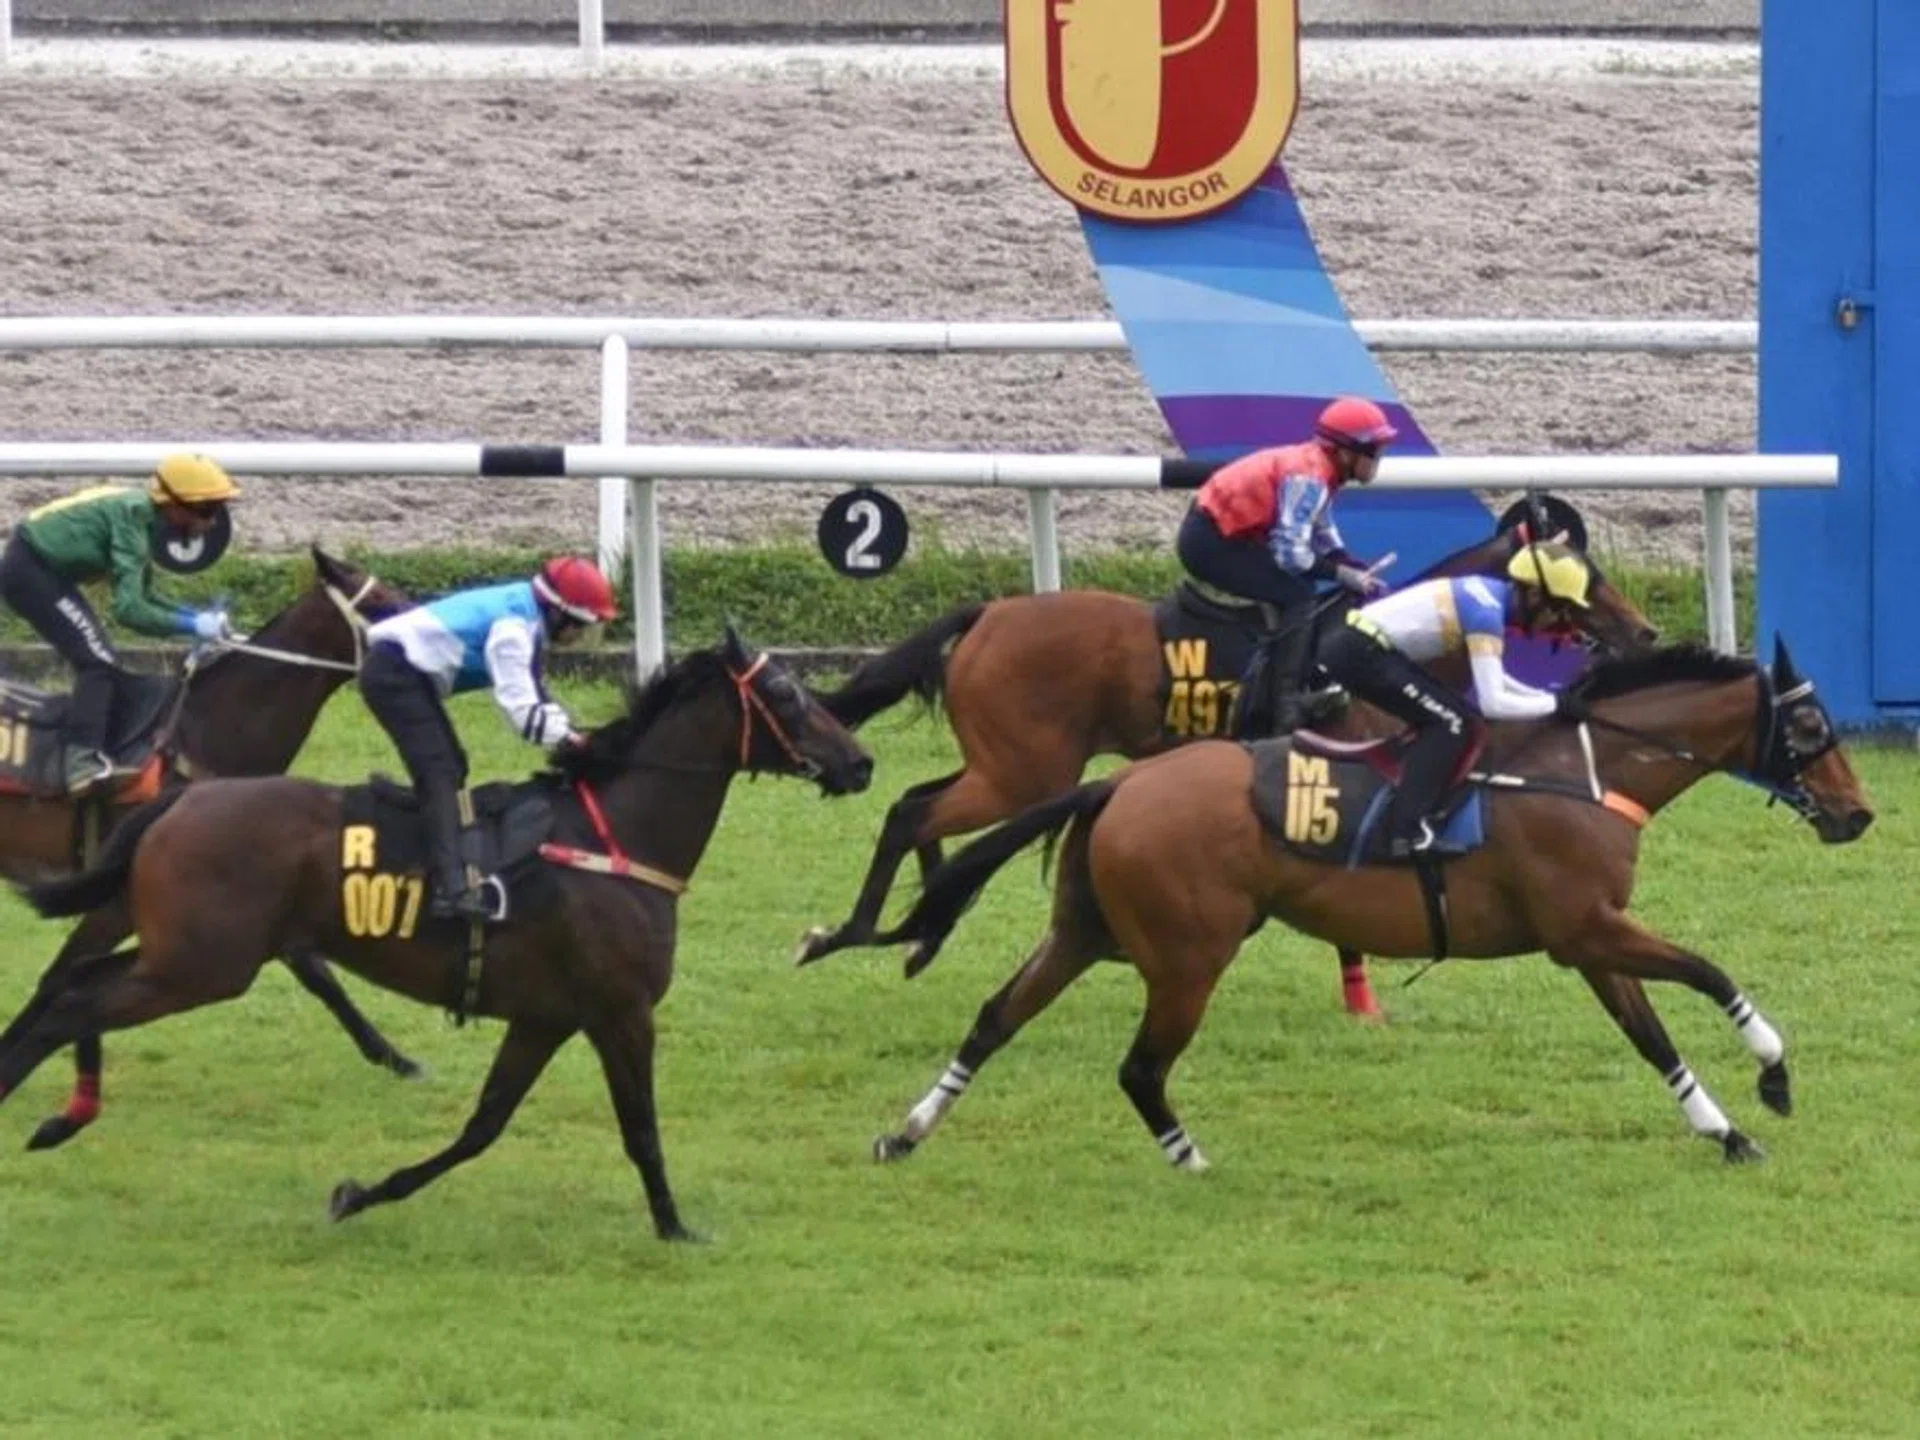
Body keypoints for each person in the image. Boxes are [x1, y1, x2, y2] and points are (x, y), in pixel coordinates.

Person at [360, 555, 617, 922]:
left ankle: (425, 837)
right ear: (558, 612)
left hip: (402, 672)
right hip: (394, 675)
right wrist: (573, 743)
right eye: (579, 625)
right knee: (442, 772)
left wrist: (574, 733)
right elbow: (522, 712)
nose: (577, 636)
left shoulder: (524, 613)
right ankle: (452, 891)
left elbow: (539, 694)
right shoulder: (514, 628)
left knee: (451, 767)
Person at [1314, 539, 1595, 859]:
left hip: (1361, 646)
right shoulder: (1486, 613)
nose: (1559, 621)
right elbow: (1493, 702)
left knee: (1456, 717)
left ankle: (1409, 806)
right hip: (1359, 651)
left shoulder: (1490, 597)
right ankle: (1403, 832)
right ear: (1533, 595)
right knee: (1451, 723)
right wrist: (1555, 706)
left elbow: (1497, 681)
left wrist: (1550, 698)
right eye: (1559, 609)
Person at [0, 454, 241, 795]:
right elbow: (129, 611)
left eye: (216, 510)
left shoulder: (146, 518)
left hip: (42, 569)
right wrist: (192, 626)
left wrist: (193, 618)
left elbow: (144, 596)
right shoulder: (134, 516)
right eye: (206, 510)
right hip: (30, 572)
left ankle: (94, 746)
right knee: (97, 662)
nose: (212, 522)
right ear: (172, 504)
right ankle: (79, 764)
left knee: (102, 658)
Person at [1176, 395, 1399, 733]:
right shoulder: (1308, 477)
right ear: (1346, 451)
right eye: (1375, 451)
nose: (1380, 459)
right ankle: (1285, 706)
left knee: (1306, 584)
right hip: (1210, 543)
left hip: (1223, 534)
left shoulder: (1321, 468)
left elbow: (1321, 527)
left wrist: (1346, 561)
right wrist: (1341, 573)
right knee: (1298, 594)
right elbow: (1290, 554)